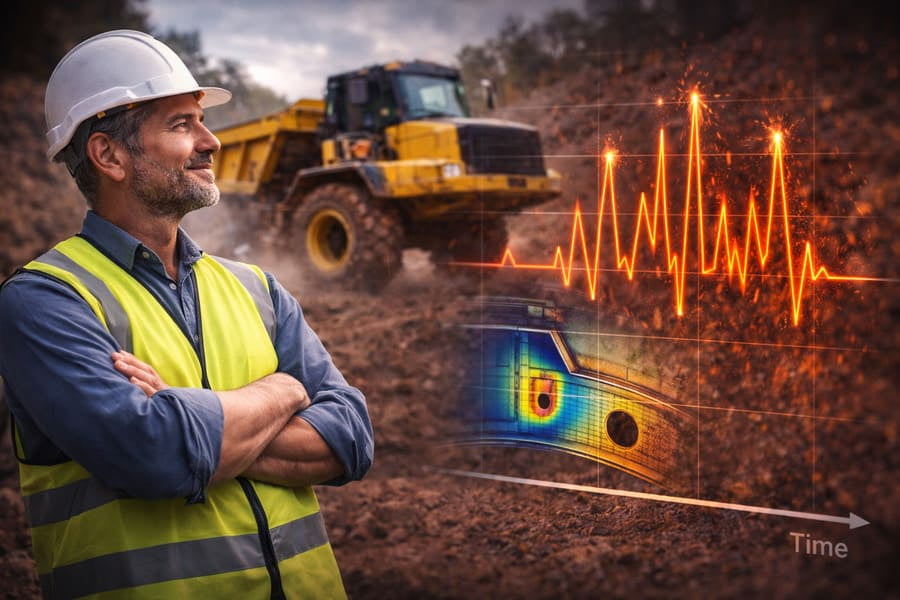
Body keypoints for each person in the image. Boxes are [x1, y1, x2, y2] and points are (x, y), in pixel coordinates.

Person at [0, 30, 373, 599]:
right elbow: (156, 457)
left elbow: (351, 438)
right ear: (108, 155)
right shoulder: (44, 301)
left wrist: (186, 417)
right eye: (181, 124)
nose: (211, 141)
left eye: (201, 120)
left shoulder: (256, 288)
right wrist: (283, 391)